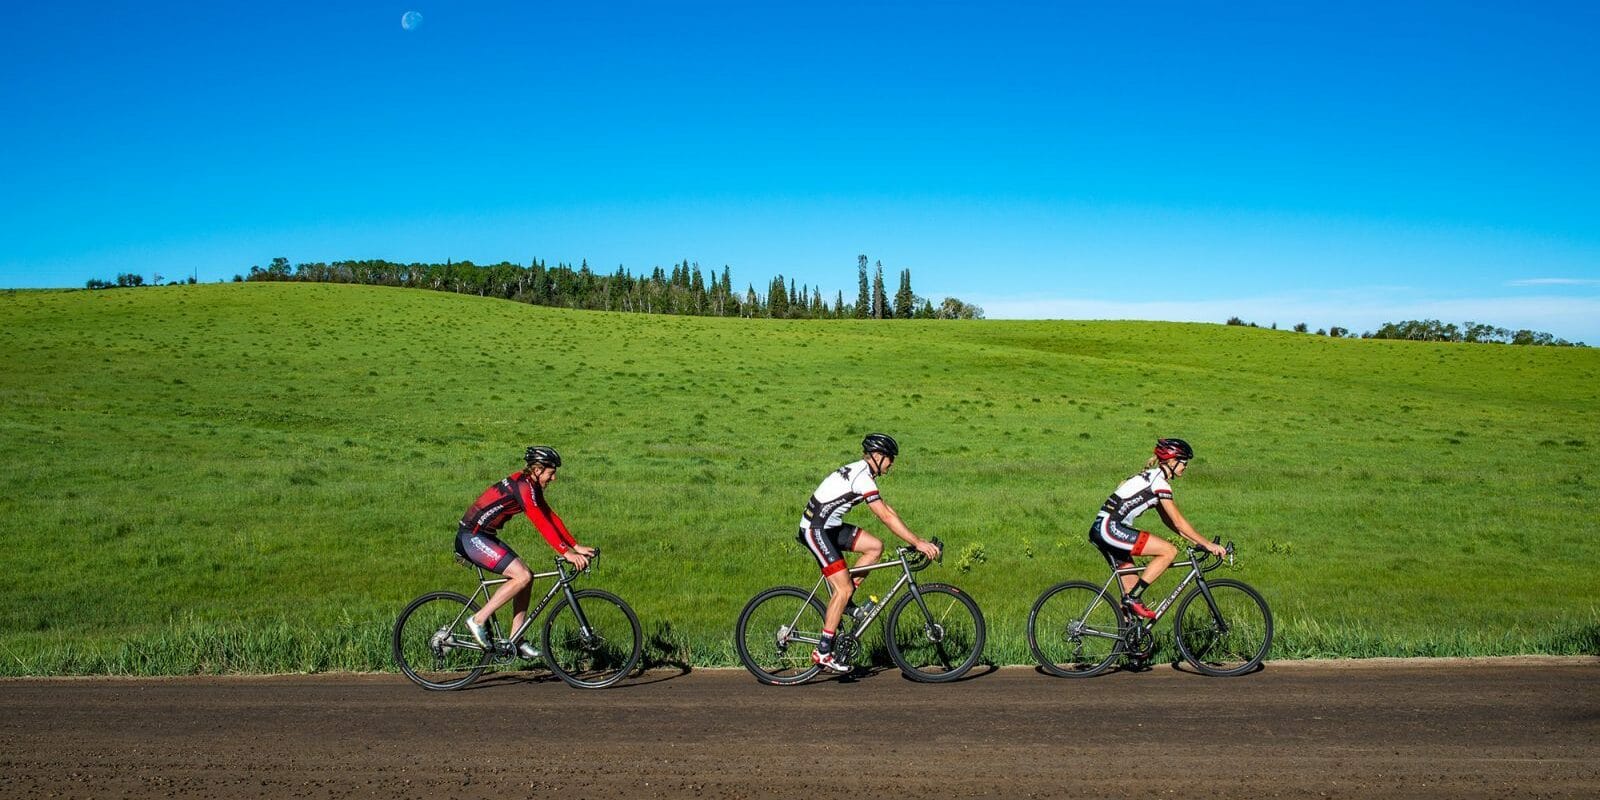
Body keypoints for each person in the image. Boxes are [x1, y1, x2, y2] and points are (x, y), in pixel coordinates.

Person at [797, 433, 941, 673]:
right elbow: (883, 517)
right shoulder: (862, 478)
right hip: (815, 530)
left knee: (875, 547)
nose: (892, 464)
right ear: (877, 456)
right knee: (842, 588)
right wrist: (917, 543)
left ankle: (845, 603)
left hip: (828, 526)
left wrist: (918, 539)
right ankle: (823, 651)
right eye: (890, 459)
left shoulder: (864, 472)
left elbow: (888, 510)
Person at [455, 446, 595, 657]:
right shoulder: (523, 487)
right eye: (551, 472)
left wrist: (574, 546)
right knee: (521, 576)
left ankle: (516, 638)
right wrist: (566, 553)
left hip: (484, 536)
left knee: (526, 578)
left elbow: (549, 516)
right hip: (471, 537)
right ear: (537, 470)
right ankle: (478, 620)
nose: (554, 478)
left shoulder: (530, 485)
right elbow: (540, 522)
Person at [1089, 438, 1227, 620]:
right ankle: (1133, 598)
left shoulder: (1154, 478)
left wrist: (1196, 542)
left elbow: (1169, 521)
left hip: (1105, 528)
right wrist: (1208, 544)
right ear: (1171, 461)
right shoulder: (1159, 483)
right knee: (1168, 551)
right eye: (1183, 462)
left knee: (1131, 604)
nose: (1186, 466)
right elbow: (1178, 521)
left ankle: (1131, 644)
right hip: (1110, 528)